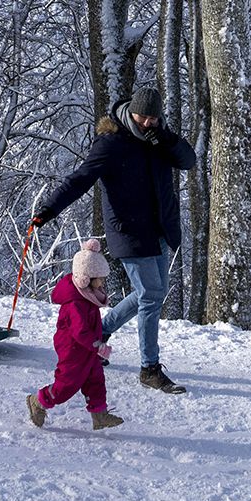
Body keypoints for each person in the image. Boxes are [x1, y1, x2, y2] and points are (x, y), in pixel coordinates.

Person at [32, 86, 196, 394]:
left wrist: (167, 139)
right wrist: (48, 209)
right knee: (150, 294)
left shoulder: (159, 137)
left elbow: (188, 160)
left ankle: (101, 334)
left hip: (161, 229)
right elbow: (80, 178)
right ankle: (149, 368)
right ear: (131, 112)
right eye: (143, 117)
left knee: (151, 294)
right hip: (130, 231)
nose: (148, 122)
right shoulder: (111, 143)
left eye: (153, 118)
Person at [27, 240, 125, 430]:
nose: (103, 282)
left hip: (87, 348)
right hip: (72, 349)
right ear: (86, 278)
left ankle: (99, 415)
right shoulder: (76, 303)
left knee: (96, 379)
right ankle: (38, 401)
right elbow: (79, 331)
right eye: (100, 278)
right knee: (67, 384)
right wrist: (97, 345)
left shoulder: (87, 296)